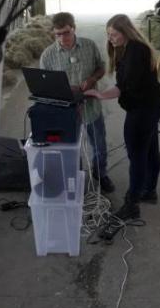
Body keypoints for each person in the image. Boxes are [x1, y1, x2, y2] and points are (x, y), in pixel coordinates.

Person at [84, 14, 160, 220]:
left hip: (142, 109)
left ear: (125, 31)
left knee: (136, 155)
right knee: (150, 148)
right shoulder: (127, 48)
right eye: (108, 34)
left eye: (115, 34)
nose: (111, 38)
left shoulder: (136, 51)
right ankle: (149, 190)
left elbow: (124, 86)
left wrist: (100, 95)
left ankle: (132, 203)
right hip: (150, 105)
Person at [39, 12, 115, 193]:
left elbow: (101, 66)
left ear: (74, 28)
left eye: (66, 33)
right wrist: (63, 91)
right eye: (58, 34)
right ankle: (75, 174)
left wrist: (91, 79)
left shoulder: (89, 46)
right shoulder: (47, 55)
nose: (62, 38)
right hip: (65, 110)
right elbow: (44, 85)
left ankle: (100, 174)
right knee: (69, 146)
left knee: (98, 143)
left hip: (90, 106)